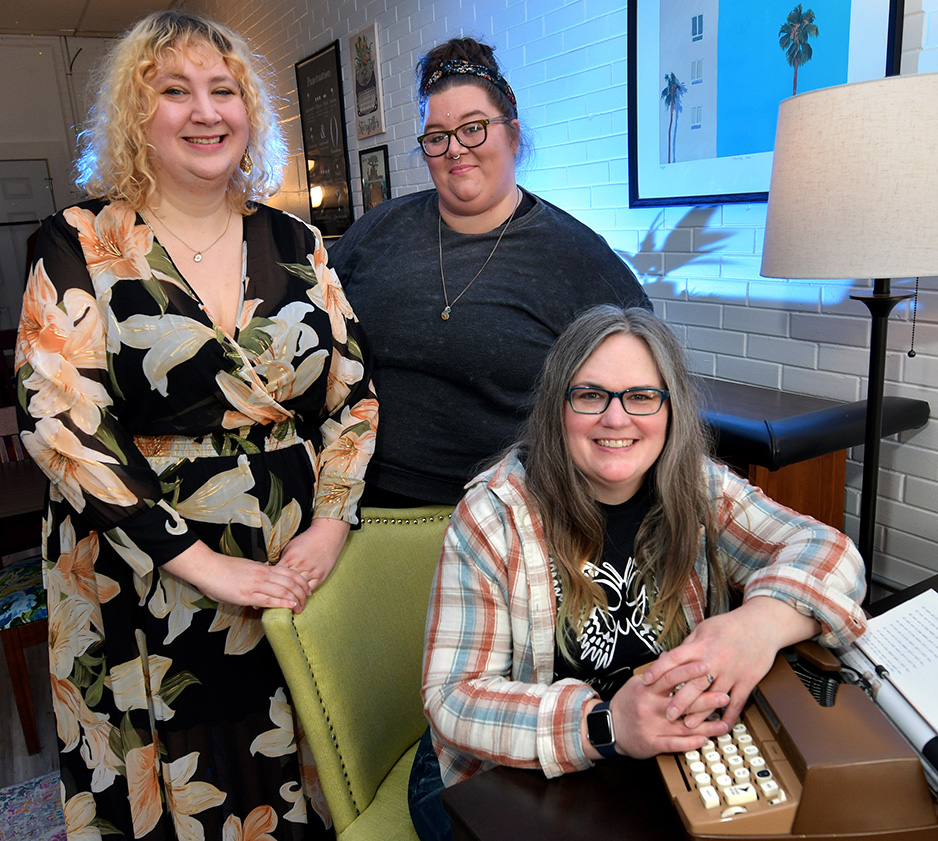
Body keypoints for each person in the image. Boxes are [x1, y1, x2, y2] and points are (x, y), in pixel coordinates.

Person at [14, 11, 376, 840]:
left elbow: (354, 396)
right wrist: (200, 561)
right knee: (185, 777)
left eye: (224, 90)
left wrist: (331, 522)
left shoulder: (299, 241)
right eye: (174, 91)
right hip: (143, 575)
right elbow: (59, 421)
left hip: (292, 564)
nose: (205, 111)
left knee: (294, 768)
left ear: (250, 113)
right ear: (135, 116)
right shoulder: (78, 241)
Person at [408, 305, 866, 840]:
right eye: (590, 395)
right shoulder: (494, 515)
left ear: (671, 409)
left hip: (656, 760)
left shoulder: (698, 487)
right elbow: (454, 699)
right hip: (499, 778)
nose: (617, 418)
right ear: (558, 406)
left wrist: (757, 625)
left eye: (643, 396)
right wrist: (607, 725)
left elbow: (828, 550)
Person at [329, 38, 650, 507]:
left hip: (504, 515)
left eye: (474, 128)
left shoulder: (579, 258)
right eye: (437, 136)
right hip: (351, 502)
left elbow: (641, 393)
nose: (455, 149)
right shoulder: (376, 231)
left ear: (513, 135)